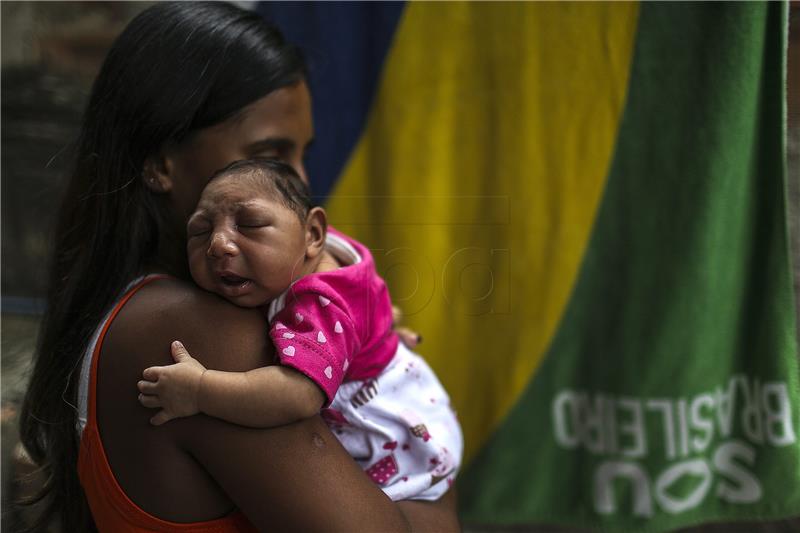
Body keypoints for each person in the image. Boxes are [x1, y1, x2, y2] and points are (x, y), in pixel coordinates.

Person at [17, 2, 459, 531]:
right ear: (161, 165)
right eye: (267, 153)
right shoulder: (197, 331)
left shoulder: (141, 307)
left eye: (298, 156)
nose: (295, 182)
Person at [136, 159, 463, 502]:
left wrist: (200, 390)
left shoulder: (318, 303)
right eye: (199, 231)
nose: (217, 244)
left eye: (250, 224)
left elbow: (299, 394)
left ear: (314, 234)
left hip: (396, 438)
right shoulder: (320, 249)